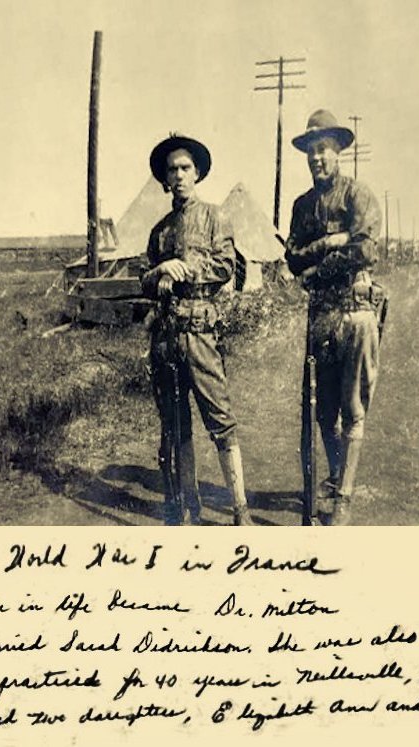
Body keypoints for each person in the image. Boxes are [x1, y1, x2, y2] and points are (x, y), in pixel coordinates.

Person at [140, 133, 253, 526]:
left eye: (185, 168)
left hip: (201, 333)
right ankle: (189, 504)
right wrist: (160, 270)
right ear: (165, 179)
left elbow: (227, 266)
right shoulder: (159, 231)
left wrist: (185, 270)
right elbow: (143, 280)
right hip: (166, 337)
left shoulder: (215, 217)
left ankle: (239, 508)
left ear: (197, 173)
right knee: (175, 424)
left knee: (220, 419)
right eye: (172, 170)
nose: (179, 175)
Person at [285, 110, 384, 526]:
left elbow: (365, 251)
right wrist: (329, 243)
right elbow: (292, 258)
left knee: (353, 407)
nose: (317, 158)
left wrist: (318, 264)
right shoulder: (302, 205)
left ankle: (343, 498)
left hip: (356, 308)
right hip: (321, 315)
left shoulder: (359, 195)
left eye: (323, 149)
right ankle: (337, 474)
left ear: (338, 151)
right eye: (311, 151)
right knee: (323, 412)